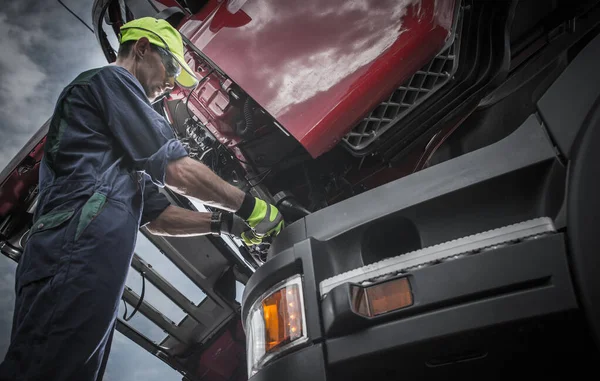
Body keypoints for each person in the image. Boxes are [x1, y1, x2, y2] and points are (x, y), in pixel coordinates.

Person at [0, 17, 284, 381]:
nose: (169, 84)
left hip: (86, 257)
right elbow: (178, 172)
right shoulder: (111, 82)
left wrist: (227, 224)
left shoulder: (119, 150)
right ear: (143, 48)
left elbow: (160, 217)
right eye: (169, 68)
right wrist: (253, 207)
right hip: (73, 247)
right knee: (45, 369)